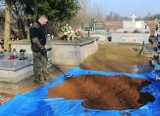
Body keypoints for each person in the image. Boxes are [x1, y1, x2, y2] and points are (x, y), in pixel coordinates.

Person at [30, 15, 52, 84]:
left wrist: (43, 48)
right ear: (41, 19)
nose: (45, 24)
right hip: (36, 49)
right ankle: (37, 78)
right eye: (45, 22)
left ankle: (46, 76)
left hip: (42, 48)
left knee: (44, 61)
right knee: (36, 64)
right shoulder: (34, 27)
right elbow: (35, 40)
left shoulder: (41, 26)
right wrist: (42, 49)